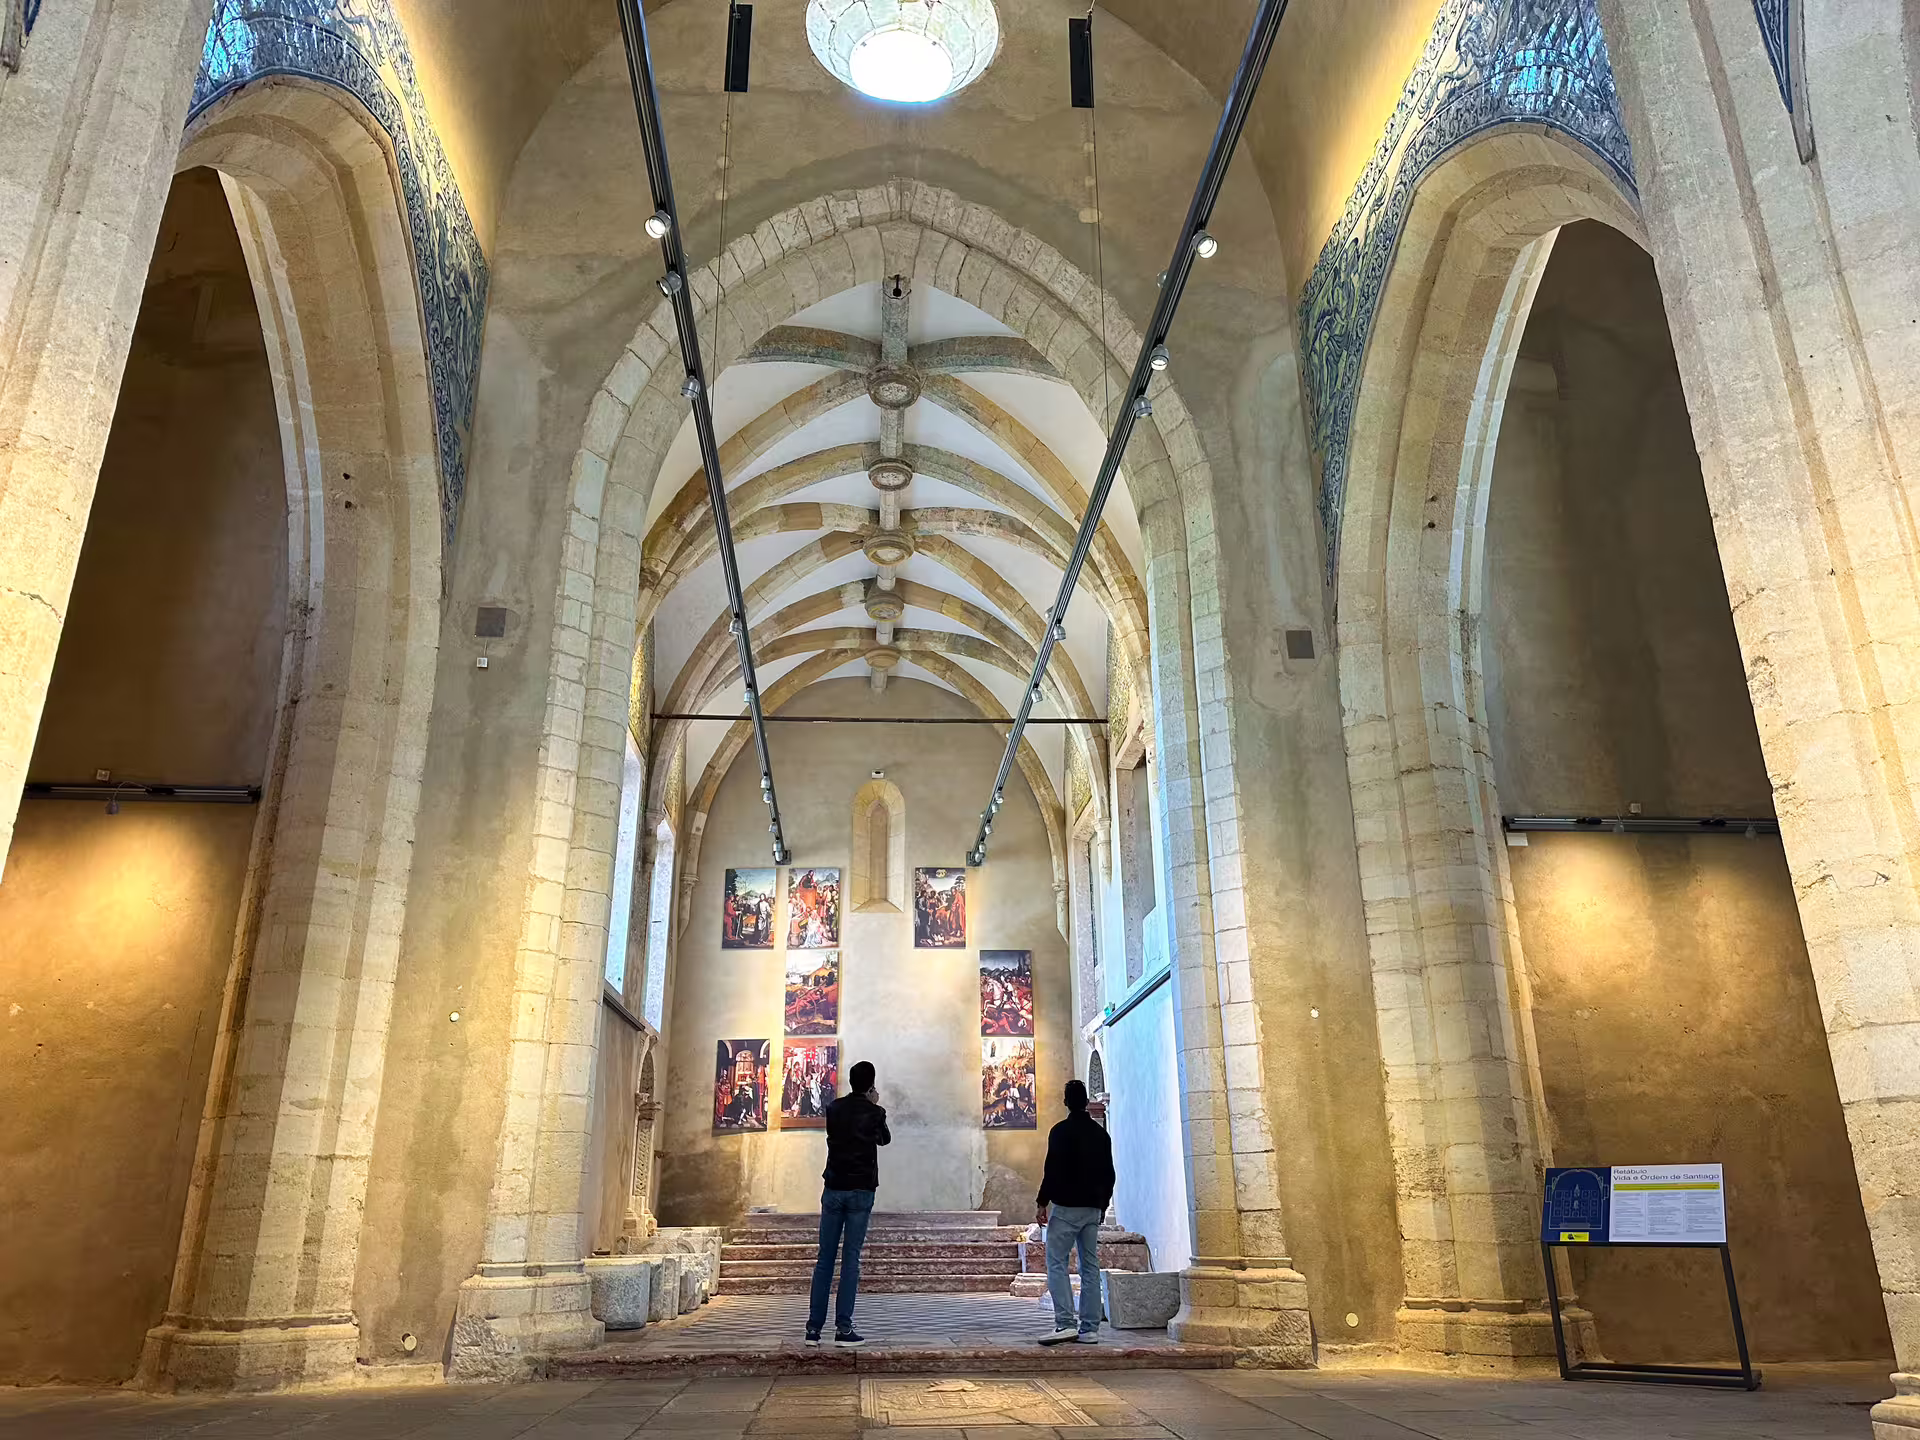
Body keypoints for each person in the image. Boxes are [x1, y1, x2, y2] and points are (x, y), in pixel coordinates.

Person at [807, 1059, 890, 1346]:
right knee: (851, 1259)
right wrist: (875, 1105)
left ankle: (813, 1330)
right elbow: (884, 1140)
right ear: (870, 1085)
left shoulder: (834, 1108)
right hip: (860, 1190)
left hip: (833, 1187)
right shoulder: (874, 1112)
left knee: (824, 1259)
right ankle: (843, 1328)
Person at [1035, 1078, 1115, 1344]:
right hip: (1092, 1209)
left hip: (1067, 1207)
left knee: (1056, 1263)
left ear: (1066, 1102)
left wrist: (1042, 1202)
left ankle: (1065, 1323)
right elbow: (1109, 1174)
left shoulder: (1060, 1131)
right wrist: (1102, 1204)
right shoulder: (1101, 1134)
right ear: (1087, 1103)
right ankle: (1090, 1328)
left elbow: (1052, 1169)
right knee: (1089, 1267)